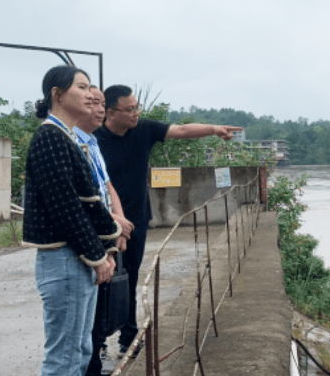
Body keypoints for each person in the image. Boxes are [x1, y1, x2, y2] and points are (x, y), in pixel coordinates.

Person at [93, 84, 242, 357]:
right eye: (130, 110)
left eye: (137, 107)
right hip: (102, 222)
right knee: (100, 279)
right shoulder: (94, 139)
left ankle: (129, 337)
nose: (136, 113)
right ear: (111, 113)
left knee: (130, 277)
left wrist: (214, 129)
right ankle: (96, 340)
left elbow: (182, 131)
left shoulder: (144, 130)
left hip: (136, 219)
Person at [22, 66, 121, 376]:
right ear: (58, 94)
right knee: (64, 358)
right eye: (82, 87)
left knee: (79, 351)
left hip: (75, 258)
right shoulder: (50, 137)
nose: (90, 94)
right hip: (66, 258)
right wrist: (97, 256)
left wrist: (102, 252)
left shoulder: (66, 137)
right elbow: (65, 207)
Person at [74, 86, 136, 376]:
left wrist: (119, 223)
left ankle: (97, 361)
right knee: (77, 332)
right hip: (87, 239)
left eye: (100, 103)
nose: (97, 108)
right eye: (92, 103)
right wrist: (114, 223)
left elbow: (106, 186)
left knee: (101, 312)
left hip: (106, 234)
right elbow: (78, 198)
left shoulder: (93, 143)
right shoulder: (70, 142)